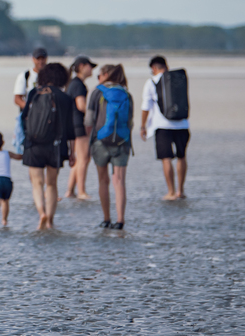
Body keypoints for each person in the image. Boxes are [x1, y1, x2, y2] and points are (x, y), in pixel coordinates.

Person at [20, 63, 77, 231]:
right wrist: (72, 152)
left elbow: (23, 118)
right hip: (56, 146)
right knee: (51, 184)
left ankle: (41, 214)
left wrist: (26, 139)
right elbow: (70, 128)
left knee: (37, 183)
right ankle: (50, 221)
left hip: (33, 144)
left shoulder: (33, 93)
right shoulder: (65, 98)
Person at [85, 64, 132, 230]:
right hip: (122, 142)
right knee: (119, 181)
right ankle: (120, 220)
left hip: (100, 142)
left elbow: (89, 121)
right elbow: (130, 122)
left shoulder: (97, 92)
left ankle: (106, 219)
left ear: (105, 75)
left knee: (103, 181)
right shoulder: (126, 93)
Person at [141, 55, 189, 200]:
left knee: (166, 158)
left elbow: (146, 106)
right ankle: (181, 190)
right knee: (182, 156)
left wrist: (143, 126)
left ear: (154, 68)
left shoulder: (151, 82)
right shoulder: (179, 79)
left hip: (162, 125)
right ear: (166, 66)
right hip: (182, 123)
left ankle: (171, 191)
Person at [64, 56, 96, 201]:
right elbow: (81, 105)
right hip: (79, 123)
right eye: (90, 66)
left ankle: (70, 190)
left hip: (72, 123)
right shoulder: (78, 85)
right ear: (82, 66)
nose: (92, 69)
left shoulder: (73, 83)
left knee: (79, 159)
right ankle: (81, 191)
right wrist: (95, 115)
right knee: (84, 158)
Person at [12, 47, 48, 152]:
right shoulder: (25, 76)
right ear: (33, 59)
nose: (41, 61)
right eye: (38, 59)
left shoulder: (50, 76)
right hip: (30, 117)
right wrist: (31, 108)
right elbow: (17, 99)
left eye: (43, 58)